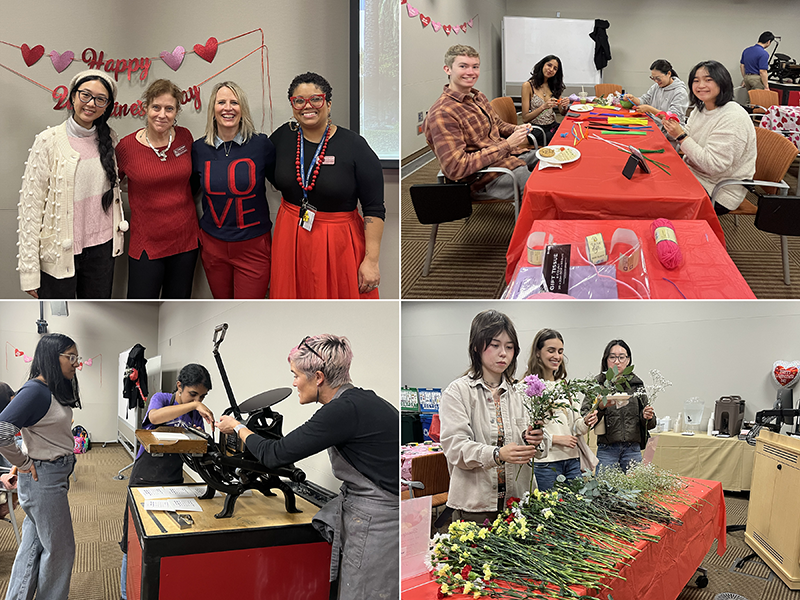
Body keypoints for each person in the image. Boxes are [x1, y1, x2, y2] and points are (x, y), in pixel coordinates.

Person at [216, 335, 398, 599]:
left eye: (296, 375)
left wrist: (238, 428)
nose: (293, 383)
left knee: (365, 592)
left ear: (319, 377)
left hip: (378, 521)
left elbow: (275, 455)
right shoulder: (365, 400)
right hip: (379, 511)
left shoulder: (340, 411)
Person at [267, 73, 384, 299]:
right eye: (299, 101)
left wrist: (371, 260)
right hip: (290, 234)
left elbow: (374, 208)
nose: (307, 106)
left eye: (316, 99)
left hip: (338, 240)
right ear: (292, 106)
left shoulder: (354, 145)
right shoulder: (283, 136)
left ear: (328, 104)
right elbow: (274, 176)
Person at [18, 70, 126, 299]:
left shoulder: (110, 139)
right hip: (59, 251)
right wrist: (29, 272)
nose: (91, 104)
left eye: (100, 99)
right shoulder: (48, 141)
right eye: (85, 95)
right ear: (73, 97)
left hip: (101, 248)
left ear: (107, 106)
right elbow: (31, 208)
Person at [439, 310, 549, 524]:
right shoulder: (458, 392)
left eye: (509, 347)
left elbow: (542, 448)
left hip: (519, 502)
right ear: (476, 346)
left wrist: (536, 440)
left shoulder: (522, 392)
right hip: (476, 507)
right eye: (495, 345)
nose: (503, 353)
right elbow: (455, 448)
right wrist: (497, 454)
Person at [119, 364, 214, 600]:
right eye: (193, 394)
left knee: (160, 540)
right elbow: (154, 417)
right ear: (179, 386)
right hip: (145, 476)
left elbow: (196, 447)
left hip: (173, 478)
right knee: (132, 542)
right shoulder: (161, 398)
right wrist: (193, 405)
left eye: (202, 397)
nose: (198, 400)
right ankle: (124, 594)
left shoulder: (194, 415)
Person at [0, 333, 81, 599]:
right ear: (51, 357)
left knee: (33, 546)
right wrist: (22, 463)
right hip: (43, 479)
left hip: (50, 476)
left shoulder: (49, 389)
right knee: (60, 550)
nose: (75, 363)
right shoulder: (35, 390)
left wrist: (22, 460)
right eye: (70, 357)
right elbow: (1, 431)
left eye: (76, 357)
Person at [116, 79, 199, 298]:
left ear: (177, 112)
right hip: (147, 244)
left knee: (179, 305)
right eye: (156, 107)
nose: (162, 114)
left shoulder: (185, 138)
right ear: (146, 108)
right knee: (139, 305)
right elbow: (109, 186)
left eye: (169, 109)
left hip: (185, 241)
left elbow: (195, 180)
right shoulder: (127, 147)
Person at [192, 82, 275, 299]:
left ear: (242, 109)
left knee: (249, 311)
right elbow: (189, 190)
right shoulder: (199, 149)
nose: (228, 108)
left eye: (234, 102)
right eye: (221, 102)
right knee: (222, 308)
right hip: (213, 246)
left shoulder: (261, 145)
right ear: (213, 109)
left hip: (253, 246)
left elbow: (281, 181)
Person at [424, 44, 536, 203]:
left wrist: (516, 129)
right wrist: (507, 145)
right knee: (540, 189)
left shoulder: (478, 97)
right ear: (447, 69)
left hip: (506, 159)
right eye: (463, 66)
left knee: (550, 160)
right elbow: (455, 168)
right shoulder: (443, 113)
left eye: (475, 66)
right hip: (483, 179)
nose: (471, 72)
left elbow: (497, 124)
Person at [663, 60, 756, 215]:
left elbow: (712, 166)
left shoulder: (733, 117)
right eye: (696, 81)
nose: (700, 86)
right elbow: (688, 139)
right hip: (693, 173)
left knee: (658, 199)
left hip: (719, 190)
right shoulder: (701, 109)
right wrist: (674, 133)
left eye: (708, 80)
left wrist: (680, 135)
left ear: (722, 82)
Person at [523, 329, 597, 490]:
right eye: (551, 350)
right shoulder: (528, 386)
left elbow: (577, 427)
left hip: (572, 459)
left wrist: (586, 421)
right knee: (549, 511)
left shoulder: (565, 386)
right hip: (546, 462)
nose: (556, 356)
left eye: (560, 351)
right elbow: (525, 429)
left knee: (576, 509)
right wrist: (556, 439)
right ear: (537, 352)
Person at [580, 339, 656, 473]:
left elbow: (651, 423)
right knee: (604, 491)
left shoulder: (636, 384)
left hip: (633, 449)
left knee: (634, 491)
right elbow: (585, 416)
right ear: (606, 360)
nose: (617, 361)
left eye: (621, 357)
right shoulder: (598, 384)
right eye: (612, 357)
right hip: (607, 449)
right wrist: (601, 407)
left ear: (628, 360)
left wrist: (646, 417)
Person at [623, 59, 689, 141]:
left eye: (658, 78)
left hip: (670, 135)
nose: (656, 81)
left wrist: (649, 109)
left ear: (668, 74)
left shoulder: (680, 92)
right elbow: (645, 100)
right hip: (654, 128)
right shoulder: (656, 87)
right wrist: (633, 99)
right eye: (653, 78)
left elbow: (671, 119)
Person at [521, 55, 570, 145]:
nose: (551, 69)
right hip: (536, 128)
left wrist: (564, 106)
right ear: (542, 65)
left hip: (552, 126)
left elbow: (562, 113)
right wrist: (543, 107)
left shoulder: (554, 86)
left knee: (570, 134)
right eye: (549, 65)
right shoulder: (528, 86)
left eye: (555, 68)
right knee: (558, 142)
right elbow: (525, 118)